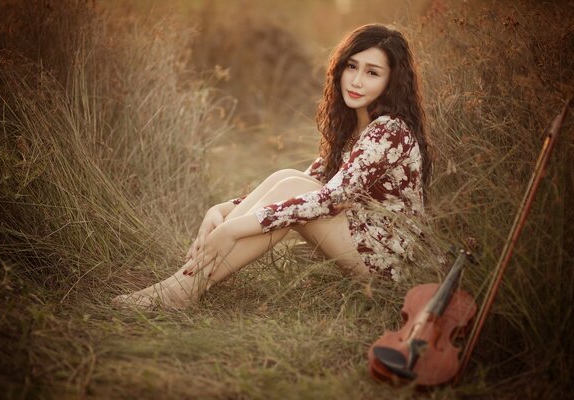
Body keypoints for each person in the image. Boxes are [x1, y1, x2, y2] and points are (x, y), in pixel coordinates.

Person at [112, 24, 432, 310]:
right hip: (360, 245)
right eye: (352, 66)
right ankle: (180, 286)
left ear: (392, 81)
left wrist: (231, 228)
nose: (357, 80)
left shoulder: (389, 130)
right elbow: (307, 184)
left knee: (295, 188)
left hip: (391, 268)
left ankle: (182, 289)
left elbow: (327, 200)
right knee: (288, 178)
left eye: (372, 72)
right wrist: (221, 210)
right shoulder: (354, 129)